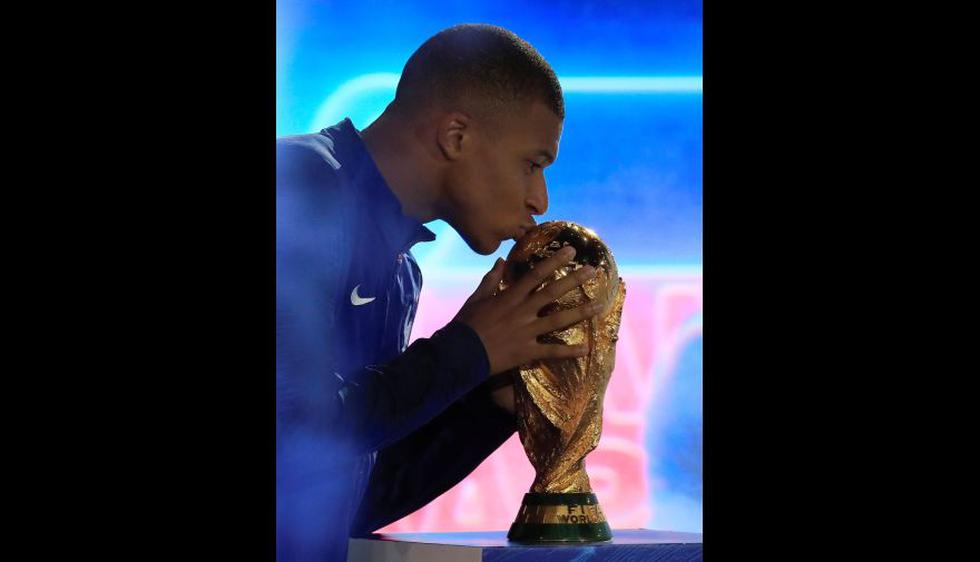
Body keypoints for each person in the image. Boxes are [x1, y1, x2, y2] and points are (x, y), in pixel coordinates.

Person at [276, 23, 601, 562]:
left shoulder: (401, 272)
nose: (540, 199)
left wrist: (488, 400)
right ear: (456, 136)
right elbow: (291, 434)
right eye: (533, 164)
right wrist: (471, 348)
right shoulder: (294, 184)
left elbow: (340, 497)